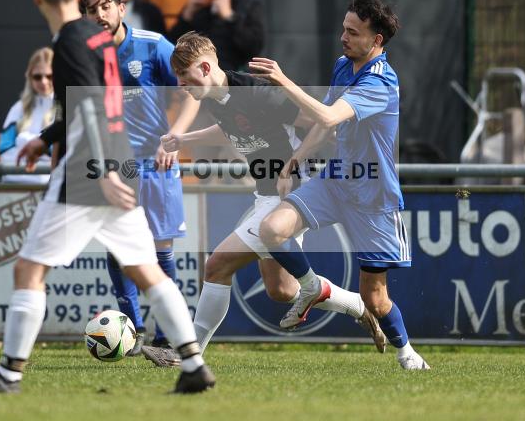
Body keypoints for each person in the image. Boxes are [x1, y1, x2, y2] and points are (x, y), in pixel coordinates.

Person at [0, 0, 214, 394]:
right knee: (149, 271)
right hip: (120, 170)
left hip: (89, 174)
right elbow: (97, 103)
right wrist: (47, 135)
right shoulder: (98, 40)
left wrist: (104, 170)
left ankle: (8, 374)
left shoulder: (71, 41)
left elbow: (92, 107)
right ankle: (194, 366)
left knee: (29, 270)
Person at [160, 32, 388, 356]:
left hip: (290, 192)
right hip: (265, 194)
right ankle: (356, 305)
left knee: (217, 266)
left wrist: (297, 166)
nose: (181, 83)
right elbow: (233, 132)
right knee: (281, 290)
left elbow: (321, 124)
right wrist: (185, 139)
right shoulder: (215, 99)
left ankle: (186, 355)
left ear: (207, 68)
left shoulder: (255, 92)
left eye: (185, 74)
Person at [249, 0, 430, 370]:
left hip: (372, 195)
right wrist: (296, 160)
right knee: (270, 229)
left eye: (353, 32)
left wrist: (282, 79)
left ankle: (407, 352)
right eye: (343, 29)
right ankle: (312, 287)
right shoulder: (343, 65)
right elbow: (324, 127)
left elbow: (330, 116)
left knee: (375, 299)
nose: (344, 37)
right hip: (335, 181)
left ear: (376, 40)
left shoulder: (381, 83)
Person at [82, 0, 201, 366]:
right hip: (114, 169)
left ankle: (167, 338)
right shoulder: (88, 55)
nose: (99, 15)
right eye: (91, 10)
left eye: (105, 7)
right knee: (117, 249)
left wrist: (175, 137)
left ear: (121, 7)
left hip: (155, 165)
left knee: (160, 249)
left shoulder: (153, 45)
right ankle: (131, 332)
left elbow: (190, 93)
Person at [0, 47, 55, 185]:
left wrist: (23, 142)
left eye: (49, 76)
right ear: (29, 77)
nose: (43, 81)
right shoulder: (19, 108)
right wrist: (39, 149)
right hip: (14, 183)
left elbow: (61, 152)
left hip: (50, 186)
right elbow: (4, 148)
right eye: (37, 76)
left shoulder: (64, 106)